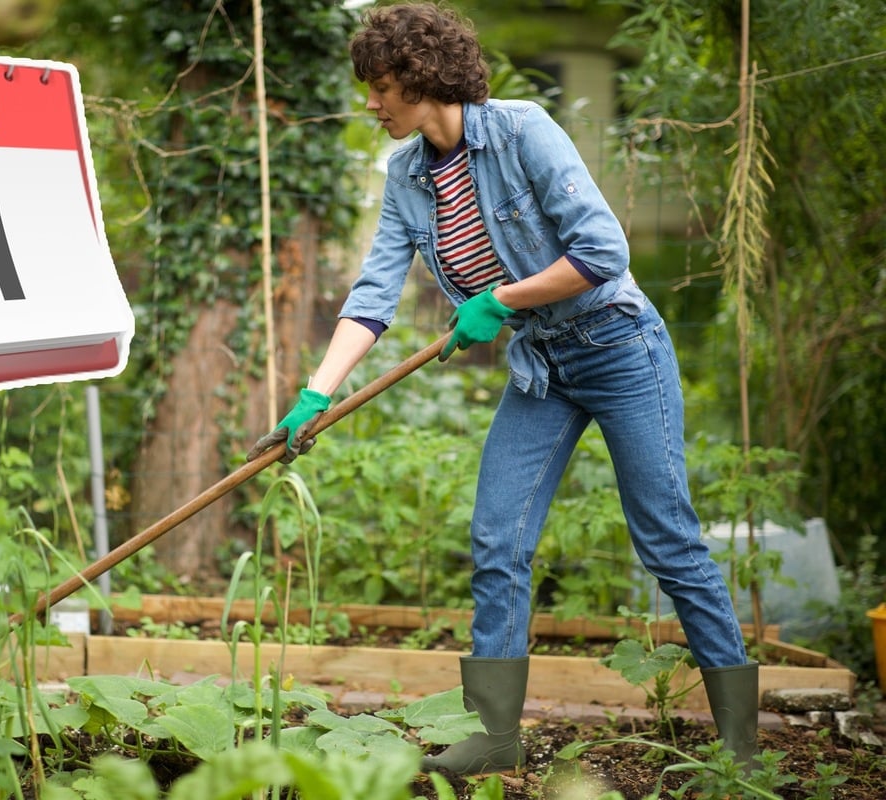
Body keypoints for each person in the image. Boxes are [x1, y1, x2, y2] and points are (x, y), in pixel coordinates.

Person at [247, 1, 759, 777]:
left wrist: (502, 299)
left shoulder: (523, 131)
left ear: (421, 76)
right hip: (544, 367)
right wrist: (314, 397)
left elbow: (604, 252)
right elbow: (375, 292)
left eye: (381, 85)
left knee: (668, 539)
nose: (372, 102)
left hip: (619, 347)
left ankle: (740, 747)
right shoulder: (407, 174)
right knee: (498, 539)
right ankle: (495, 734)